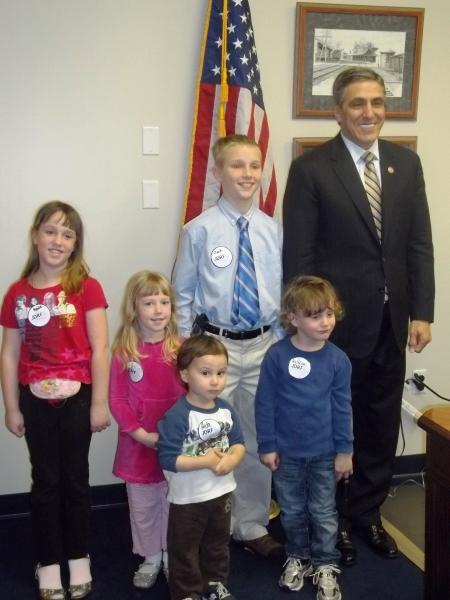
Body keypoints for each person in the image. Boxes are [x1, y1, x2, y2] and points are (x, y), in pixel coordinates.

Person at [282, 66, 434, 565]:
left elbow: (418, 245)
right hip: (335, 326)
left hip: (393, 322)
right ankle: (330, 519)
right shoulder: (311, 169)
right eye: (357, 104)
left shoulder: (405, 165)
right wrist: (304, 320)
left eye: (376, 102)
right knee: (332, 426)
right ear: (337, 111)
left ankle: (366, 514)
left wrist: (422, 312)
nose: (369, 113)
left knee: (378, 421)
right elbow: (299, 254)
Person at [172, 134, 284, 561]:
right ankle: (211, 526)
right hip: (213, 348)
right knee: (211, 439)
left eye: (254, 165)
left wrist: (279, 344)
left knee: (256, 438)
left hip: (261, 346)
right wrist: (187, 355)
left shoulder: (272, 231)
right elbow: (181, 295)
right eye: (237, 166)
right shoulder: (199, 231)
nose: (248, 174)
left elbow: (277, 292)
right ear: (217, 173)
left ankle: (251, 523)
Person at [0, 201, 110, 600]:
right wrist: (11, 406)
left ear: (75, 243)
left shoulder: (86, 287)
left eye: (67, 234)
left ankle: (78, 556)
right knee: (45, 481)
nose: (58, 240)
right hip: (34, 401)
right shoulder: (17, 293)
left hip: (78, 400)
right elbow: (9, 353)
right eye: (50, 231)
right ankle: (47, 561)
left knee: (76, 481)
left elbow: (100, 347)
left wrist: (99, 402)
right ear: (35, 235)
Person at [255, 276, 352, 600]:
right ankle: (298, 556)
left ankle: (326, 562)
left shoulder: (338, 360)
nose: (325, 322)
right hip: (286, 454)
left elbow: (343, 408)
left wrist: (345, 451)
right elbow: (265, 403)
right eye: (315, 315)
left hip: (325, 452)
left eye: (329, 313)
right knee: (293, 510)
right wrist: (267, 446)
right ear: (293, 319)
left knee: (324, 512)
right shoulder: (276, 357)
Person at [109, 271, 185, 589]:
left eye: (164, 302)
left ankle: (170, 555)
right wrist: (138, 433)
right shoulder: (125, 351)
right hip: (137, 445)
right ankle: (150, 555)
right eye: (149, 302)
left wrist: (178, 434)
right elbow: (116, 398)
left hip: (175, 445)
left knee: (172, 502)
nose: (158, 310)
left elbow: (193, 396)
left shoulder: (181, 349)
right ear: (134, 307)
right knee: (142, 505)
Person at [157, 335, 245, 600]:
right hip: (188, 498)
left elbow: (238, 443)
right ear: (185, 374)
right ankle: (186, 592)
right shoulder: (177, 415)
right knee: (184, 548)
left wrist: (232, 458)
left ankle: (214, 583)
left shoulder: (225, 410)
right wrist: (205, 461)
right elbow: (168, 459)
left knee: (217, 544)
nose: (215, 380)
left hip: (221, 494)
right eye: (205, 373)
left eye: (221, 372)